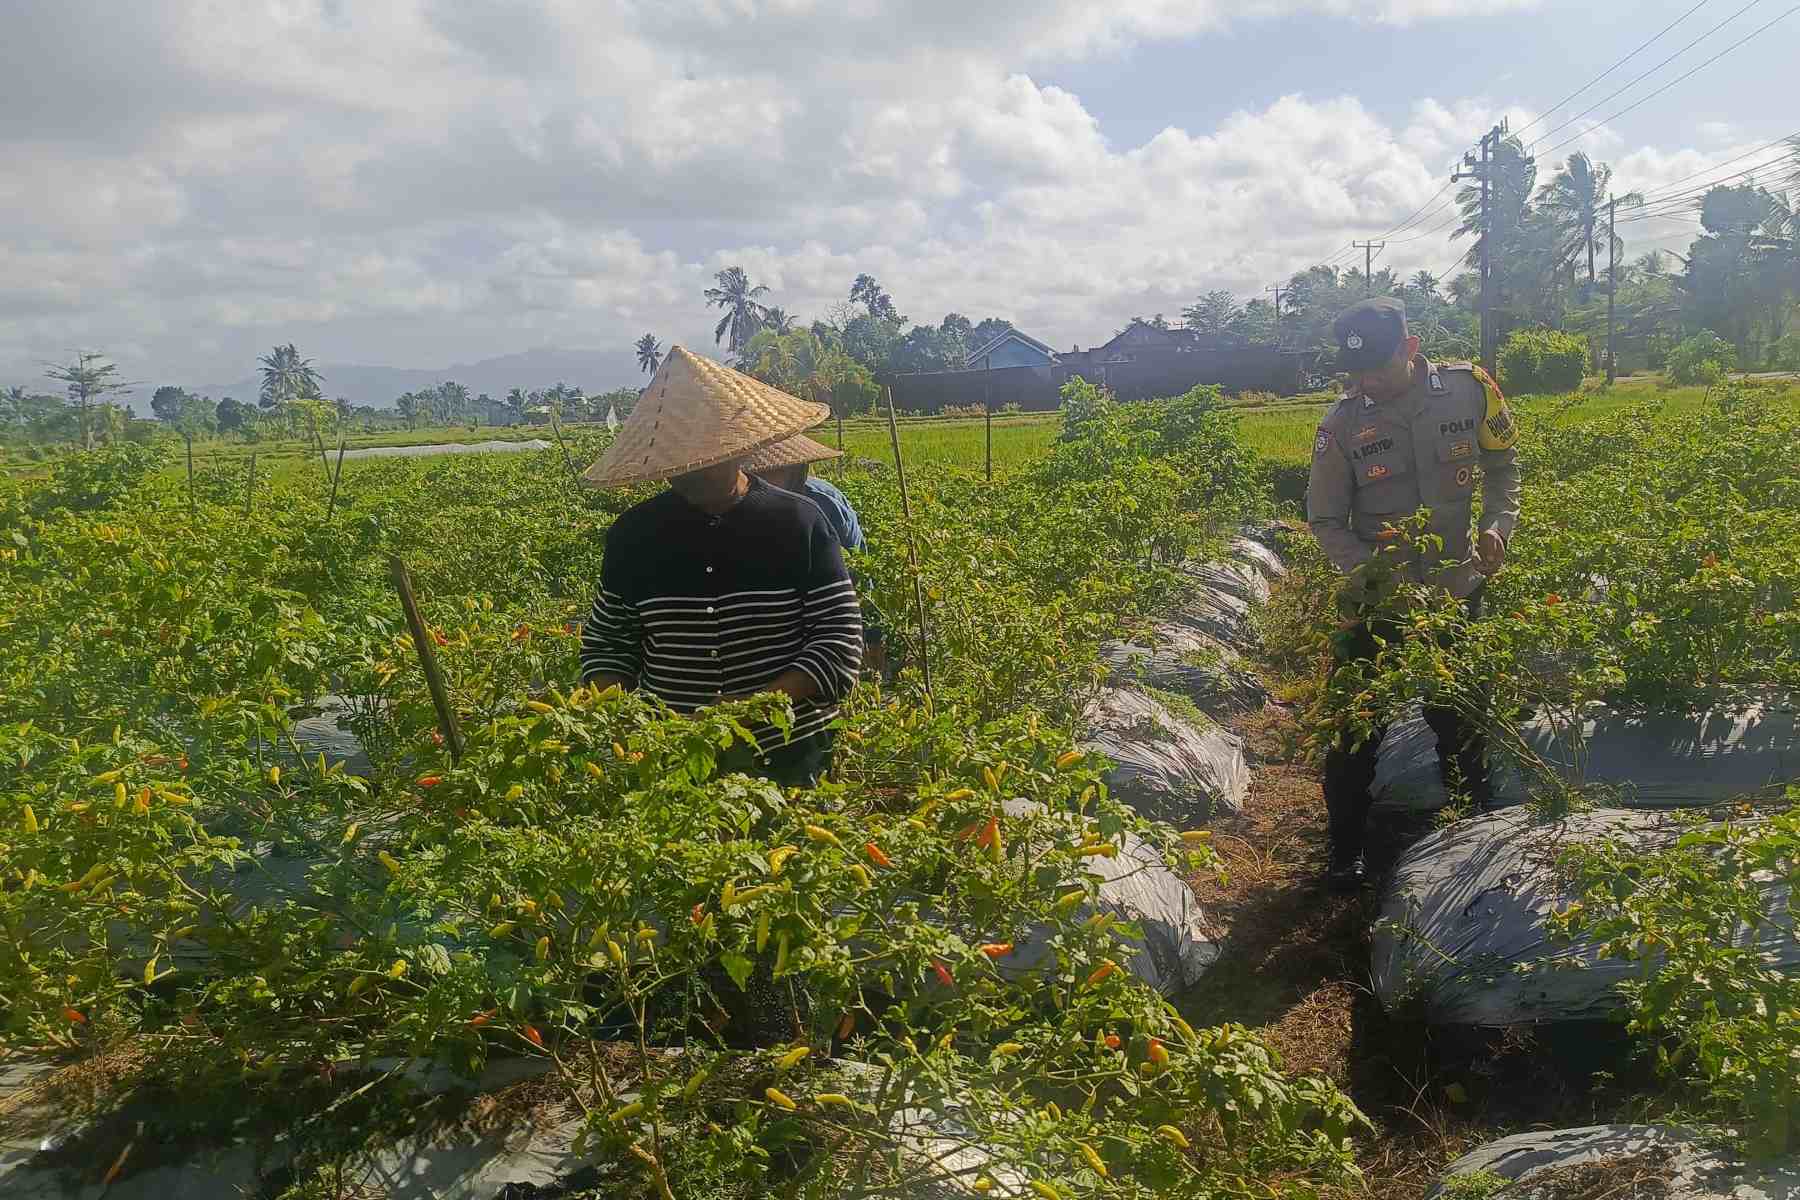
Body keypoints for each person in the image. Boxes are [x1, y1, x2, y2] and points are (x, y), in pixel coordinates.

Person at [1306, 298, 1521, 890]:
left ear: (1411, 346)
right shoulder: (1342, 426)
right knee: (1355, 726)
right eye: (1357, 373)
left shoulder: (1471, 390)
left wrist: (1498, 526)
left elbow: (1504, 469)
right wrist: (1376, 580)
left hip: (1456, 592)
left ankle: (1475, 840)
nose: (1366, 381)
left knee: (1461, 719)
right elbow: (1325, 522)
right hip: (1376, 602)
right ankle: (1345, 853)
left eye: (1377, 366)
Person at [578, 347, 864, 788]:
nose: (686, 472)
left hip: (789, 755)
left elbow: (838, 639)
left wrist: (752, 710)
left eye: (703, 459)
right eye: (675, 462)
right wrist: (616, 716)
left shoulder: (798, 522)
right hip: (677, 756)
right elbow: (610, 642)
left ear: (737, 450)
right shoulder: (633, 536)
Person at [743, 434, 887, 675]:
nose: (757, 480)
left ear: (793, 468)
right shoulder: (735, 508)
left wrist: (871, 642)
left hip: (825, 635)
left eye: (768, 471)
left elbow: (859, 579)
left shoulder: (823, 504)